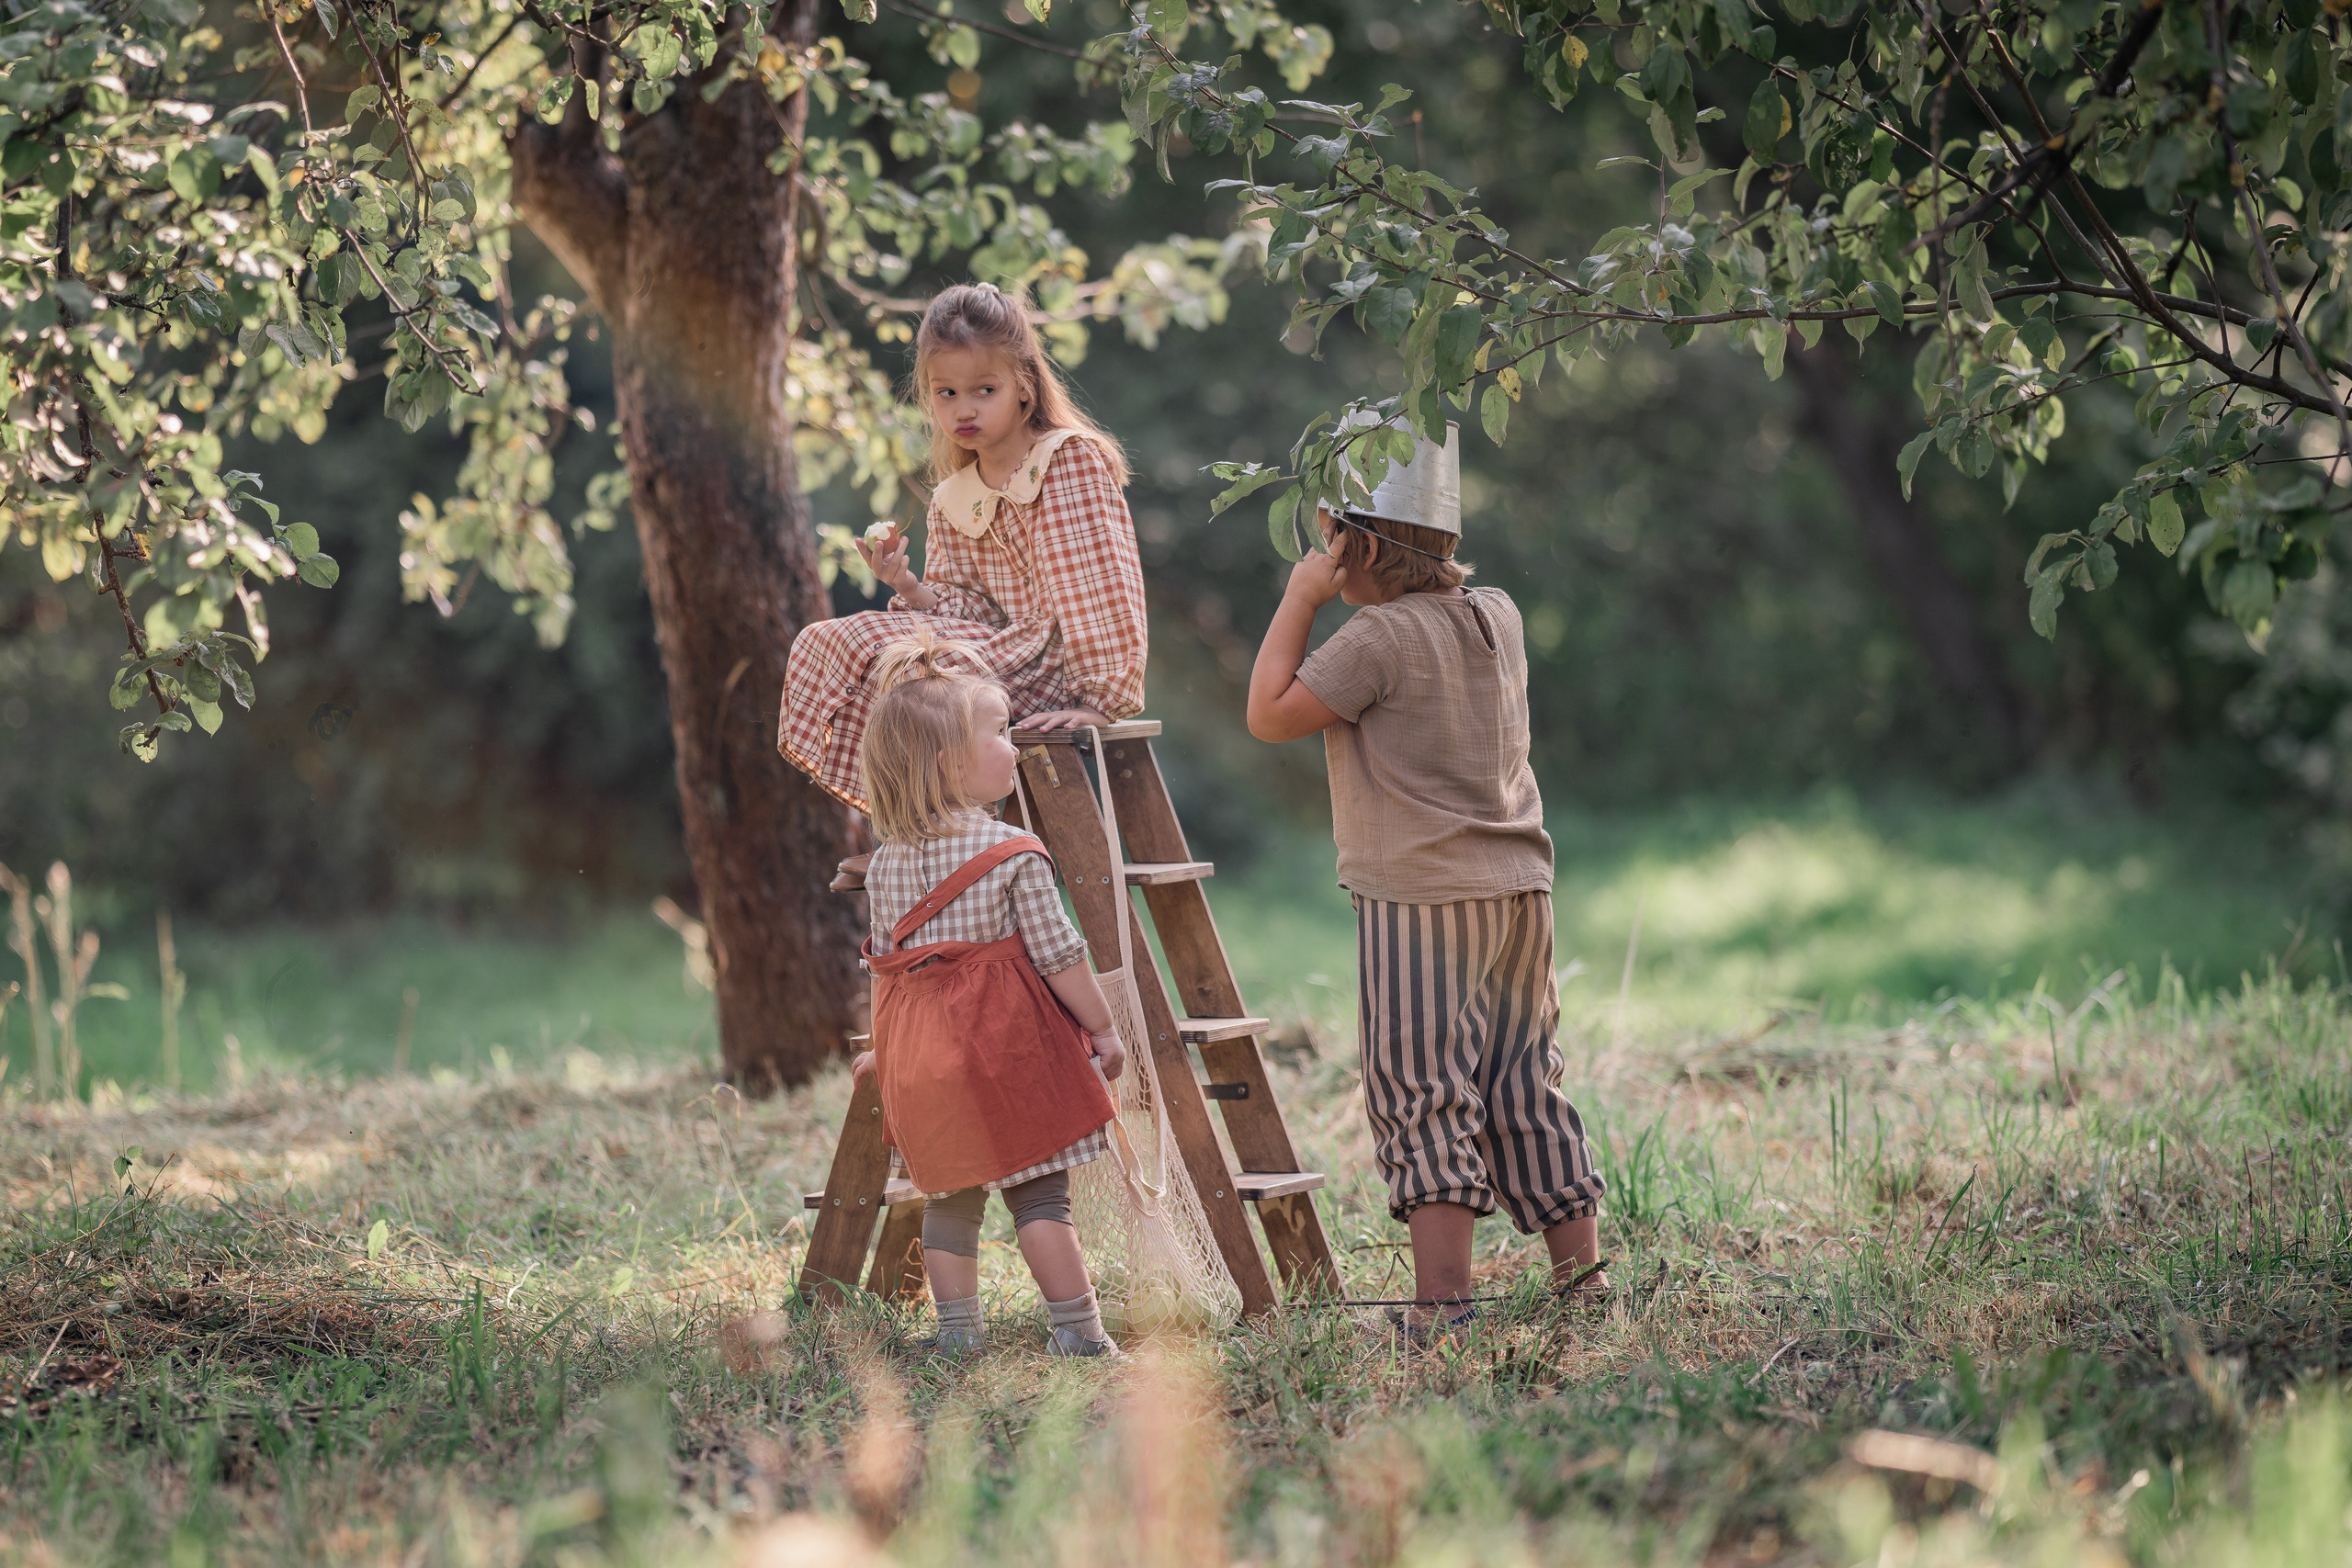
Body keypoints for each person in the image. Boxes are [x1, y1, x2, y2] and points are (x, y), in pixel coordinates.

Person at [1243, 424, 1608, 1342]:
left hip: (1420, 899)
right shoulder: (1497, 612)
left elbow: (1267, 715)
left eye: (1325, 536)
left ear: (1352, 545)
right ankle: (1583, 1280)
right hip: (1520, 885)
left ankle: (1444, 1302)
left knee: (1421, 1085)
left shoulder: (1377, 639)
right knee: (1526, 1077)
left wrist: (1298, 598)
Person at [779, 284, 1148, 853]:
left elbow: (1098, 590)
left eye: (984, 389)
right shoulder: (955, 496)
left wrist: (1098, 701)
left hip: (1057, 662)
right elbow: (965, 609)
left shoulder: (1064, 461)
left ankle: (934, 837)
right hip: (998, 652)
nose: (964, 409)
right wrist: (905, 584)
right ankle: (911, 831)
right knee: (837, 640)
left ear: (1024, 385)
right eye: (946, 393)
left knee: (926, 674)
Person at [847, 628, 1128, 1359]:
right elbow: (1060, 955)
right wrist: (1102, 1029)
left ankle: (958, 1334)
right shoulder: (1013, 855)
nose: (1013, 746)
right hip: (1008, 1052)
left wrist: (885, 1052)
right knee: (1039, 1198)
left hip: (926, 1059)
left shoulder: (883, 867)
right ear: (951, 763)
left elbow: (889, 969)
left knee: (951, 1199)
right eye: (1000, 734)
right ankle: (1078, 1330)